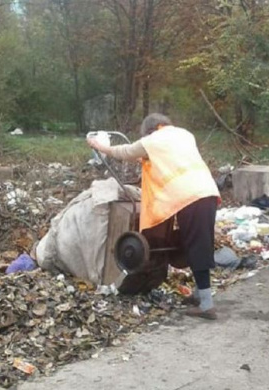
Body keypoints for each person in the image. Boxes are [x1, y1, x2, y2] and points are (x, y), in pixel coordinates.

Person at [87, 113, 221, 320]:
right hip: (207, 192)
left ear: (149, 130)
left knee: (196, 246)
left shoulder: (153, 140)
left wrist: (99, 146)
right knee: (201, 242)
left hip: (189, 196)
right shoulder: (184, 135)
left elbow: (125, 152)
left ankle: (206, 305)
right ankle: (200, 294)